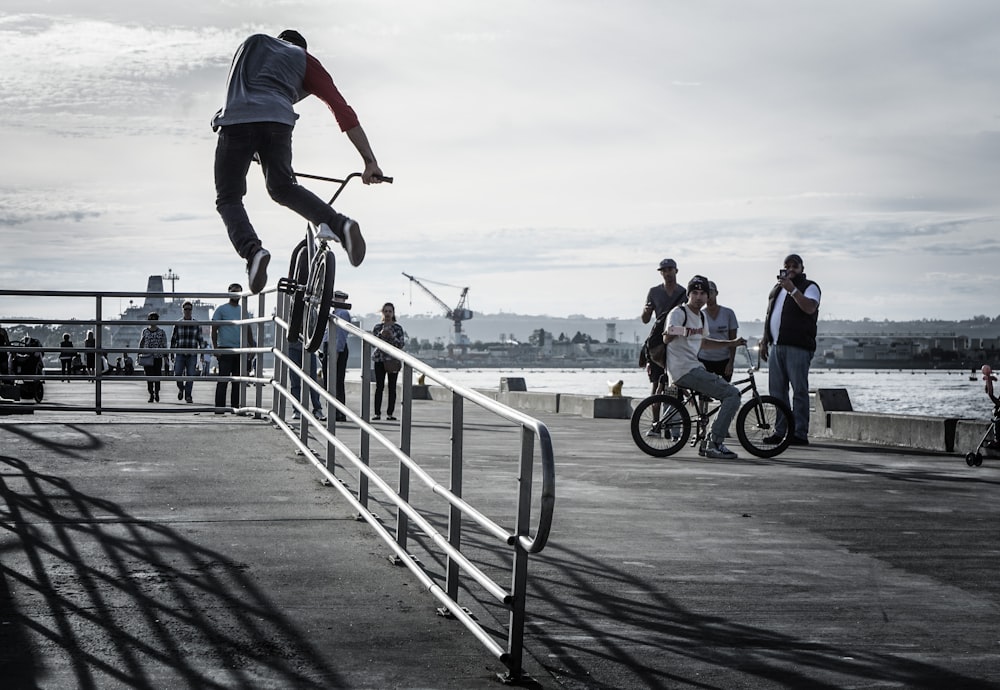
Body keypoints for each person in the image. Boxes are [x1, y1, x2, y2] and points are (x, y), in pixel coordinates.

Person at [212, 29, 385, 294]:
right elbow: (342, 111)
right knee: (282, 188)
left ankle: (253, 253)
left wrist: (247, 144)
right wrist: (369, 161)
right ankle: (342, 225)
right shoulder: (305, 60)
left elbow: (232, 101)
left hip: (234, 121)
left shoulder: (250, 45)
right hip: (278, 122)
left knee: (229, 198)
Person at [662, 275, 746, 459]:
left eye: (703, 293)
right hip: (683, 369)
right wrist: (685, 331)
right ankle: (714, 442)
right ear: (688, 294)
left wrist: (731, 343)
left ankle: (706, 441)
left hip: (694, 367)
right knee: (732, 395)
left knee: (724, 394)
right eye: (695, 293)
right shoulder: (679, 313)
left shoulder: (701, 316)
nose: (699, 297)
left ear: (708, 297)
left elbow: (704, 343)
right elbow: (666, 337)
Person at [760, 253, 821, 446]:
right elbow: (770, 315)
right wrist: (764, 340)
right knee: (777, 392)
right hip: (776, 345)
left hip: (798, 346)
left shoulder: (810, 286)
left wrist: (793, 290)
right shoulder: (777, 289)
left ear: (802, 268)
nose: (791, 269)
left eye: (795, 266)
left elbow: (810, 308)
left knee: (799, 391)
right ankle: (781, 431)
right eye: (788, 266)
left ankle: (800, 433)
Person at [640, 258, 688, 396]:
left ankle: (676, 413)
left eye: (670, 270)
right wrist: (647, 311)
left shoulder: (684, 293)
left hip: (676, 339)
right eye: (664, 271)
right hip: (658, 340)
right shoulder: (654, 292)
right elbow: (645, 320)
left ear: (676, 271)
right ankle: (656, 418)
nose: (667, 273)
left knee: (677, 380)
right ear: (661, 273)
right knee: (656, 382)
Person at [212, 282, 257, 414]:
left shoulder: (243, 310)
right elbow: (214, 329)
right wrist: (215, 347)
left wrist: (251, 347)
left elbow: (248, 329)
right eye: (233, 291)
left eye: (238, 292)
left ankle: (236, 407)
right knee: (223, 380)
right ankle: (219, 408)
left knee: (237, 381)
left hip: (240, 350)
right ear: (229, 292)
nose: (236, 294)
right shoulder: (221, 309)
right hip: (225, 349)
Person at [699, 281, 739, 382]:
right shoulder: (699, 314)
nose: (708, 296)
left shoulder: (728, 313)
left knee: (725, 393)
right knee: (704, 395)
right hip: (704, 360)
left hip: (724, 360)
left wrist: (731, 363)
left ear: (716, 293)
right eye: (705, 293)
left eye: (711, 292)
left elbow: (733, 340)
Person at [371, 302, 405, 421]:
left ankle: (390, 413)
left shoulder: (398, 328)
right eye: (385, 311)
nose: (388, 314)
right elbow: (373, 343)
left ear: (393, 313)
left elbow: (400, 344)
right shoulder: (377, 327)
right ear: (382, 312)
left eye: (390, 311)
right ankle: (377, 413)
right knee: (379, 387)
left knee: (392, 387)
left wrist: (392, 336)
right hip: (379, 359)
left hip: (392, 361)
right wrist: (381, 335)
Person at [321, 290, 351, 422]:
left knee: (335, 382)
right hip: (330, 346)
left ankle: (337, 412)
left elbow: (340, 335)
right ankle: (335, 411)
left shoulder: (342, 313)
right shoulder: (334, 313)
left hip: (336, 348)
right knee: (331, 381)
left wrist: (336, 353)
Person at [171, 301, 207, 403]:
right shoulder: (178, 323)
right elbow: (174, 339)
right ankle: (181, 388)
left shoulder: (196, 324)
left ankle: (188, 395)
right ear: (182, 310)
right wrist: (171, 353)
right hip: (180, 353)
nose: (187, 311)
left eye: (189, 309)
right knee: (177, 374)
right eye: (185, 309)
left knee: (190, 375)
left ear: (192, 310)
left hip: (192, 354)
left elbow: (200, 339)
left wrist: (202, 354)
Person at [138, 313, 167, 402]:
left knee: (157, 376)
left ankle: (157, 393)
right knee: (149, 377)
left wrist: (166, 357)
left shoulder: (161, 332)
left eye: (154, 319)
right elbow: (142, 343)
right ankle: (151, 394)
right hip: (147, 357)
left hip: (158, 357)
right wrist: (139, 354)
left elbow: (164, 344)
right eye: (150, 319)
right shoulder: (145, 331)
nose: (152, 321)